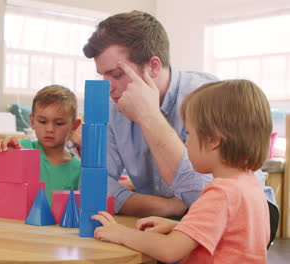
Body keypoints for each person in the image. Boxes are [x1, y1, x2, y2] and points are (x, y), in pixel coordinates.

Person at [83, 10, 278, 246]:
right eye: (103, 75)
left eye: (116, 74)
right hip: (176, 217)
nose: (108, 87)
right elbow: (97, 185)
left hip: (246, 216)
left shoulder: (208, 97)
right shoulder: (114, 105)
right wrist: (165, 206)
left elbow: (207, 197)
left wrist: (148, 115)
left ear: (153, 66)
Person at [92, 79, 271, 263]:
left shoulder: (220, 194)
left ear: (213, 141)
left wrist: (121, 233)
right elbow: (231, 236)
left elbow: (169, 250)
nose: (186, 143)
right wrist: (181, 227)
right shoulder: (250, 185)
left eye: (190, 134)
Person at [0, 85, 82, 203]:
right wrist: (1, 141)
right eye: (42, 122)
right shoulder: (21, 149)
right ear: (32, 121)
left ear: (74, 126)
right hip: (15, 221)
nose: (50, 129)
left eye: (59, 123)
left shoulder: (78, 168)